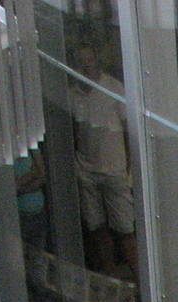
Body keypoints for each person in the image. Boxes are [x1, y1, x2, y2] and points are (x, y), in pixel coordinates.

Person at [69, 40, 137, 279]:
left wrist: (129, 167)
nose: (86, 66)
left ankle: (142, 284)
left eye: (89, 61)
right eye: (81, 62)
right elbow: (77, 131)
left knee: (125, 230)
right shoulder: (73, 93)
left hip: (114, 171)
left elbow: (130, 128)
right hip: (87, 171)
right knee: (97, 229)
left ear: (97, 61)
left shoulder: (113, 88)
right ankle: (112, 285)